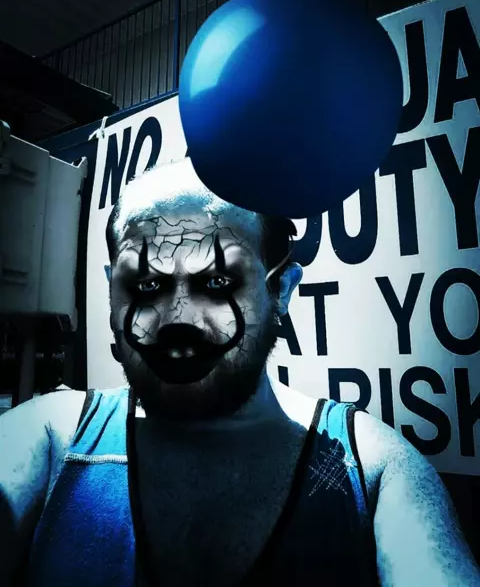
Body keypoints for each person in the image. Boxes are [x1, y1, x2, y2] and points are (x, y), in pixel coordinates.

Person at [1, 158, 479, 587]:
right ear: (112, 291)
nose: (178, 319)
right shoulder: (51, 438)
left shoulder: (374, 470)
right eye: (146, 285)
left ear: (282, 290)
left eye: (217, 282)